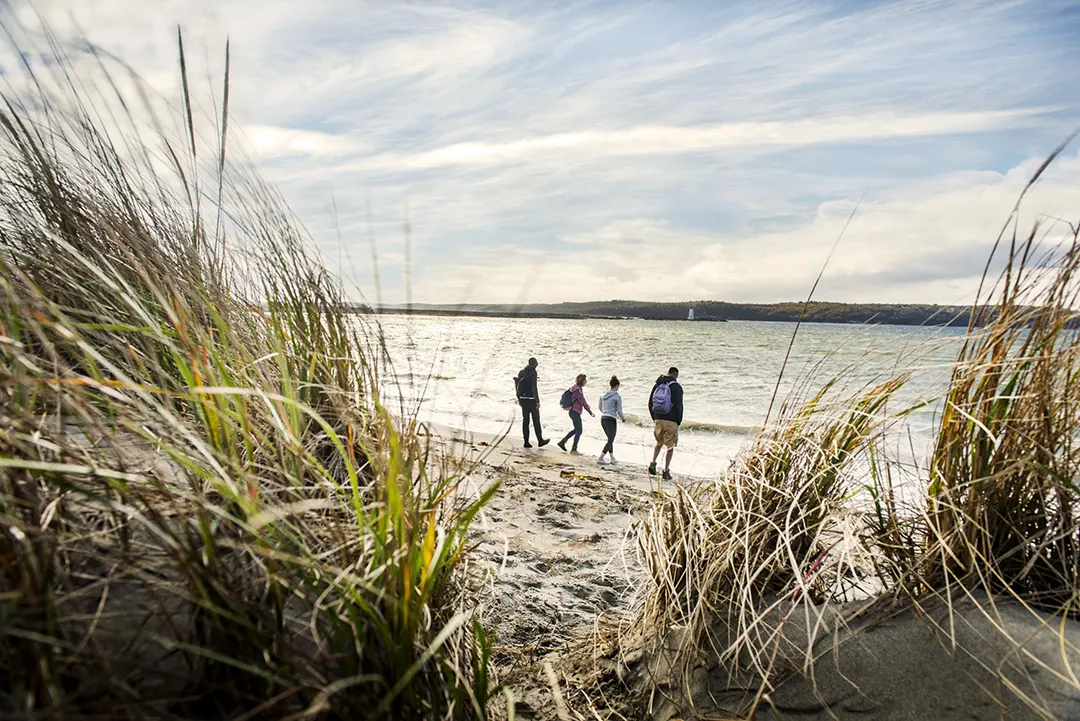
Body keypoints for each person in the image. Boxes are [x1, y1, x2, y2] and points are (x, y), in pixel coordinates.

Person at [648, 367, 683, 481]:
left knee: (658, 442)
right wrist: (678, 421)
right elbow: (679, 406)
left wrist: (654, 417)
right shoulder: (676, 387)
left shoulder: (657, 385)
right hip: (671, 420)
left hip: (658, 419)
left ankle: (653, 463)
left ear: (667, 373)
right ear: (676, 375)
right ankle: (666, 470)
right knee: (670, 446)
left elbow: (650, 402)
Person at [514, 357, 549, 448]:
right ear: (535, 365)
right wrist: (537, 401)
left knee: (525, 421)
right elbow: (534, 387)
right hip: (531, 400)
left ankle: (526, 442)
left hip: (523, 400)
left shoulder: (521, 372)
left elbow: (517, 385)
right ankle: (540, 440)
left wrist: (519, 398)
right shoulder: (534, 373)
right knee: (536, 421)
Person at [557, 373, 593, 455]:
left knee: (576, 430)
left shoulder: (573, 388)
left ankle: (562, 442)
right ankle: (574, 449)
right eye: (585, 380)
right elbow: (582, 401)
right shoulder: (577, 390)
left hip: (573, 412)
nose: (586, 382)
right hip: (574, 412)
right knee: (579, 430)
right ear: (582, 381)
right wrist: (589, 411)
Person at [597, 375, 625, 465]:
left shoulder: (603, 395)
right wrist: (623, 418)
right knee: (611, 439)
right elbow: (619, 410)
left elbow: (599, 407)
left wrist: (605, 412)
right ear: (616, 386)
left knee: (610, 439)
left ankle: (612, 458)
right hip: (611, 420)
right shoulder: (617, 396)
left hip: (603, 418)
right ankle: (601, 458)